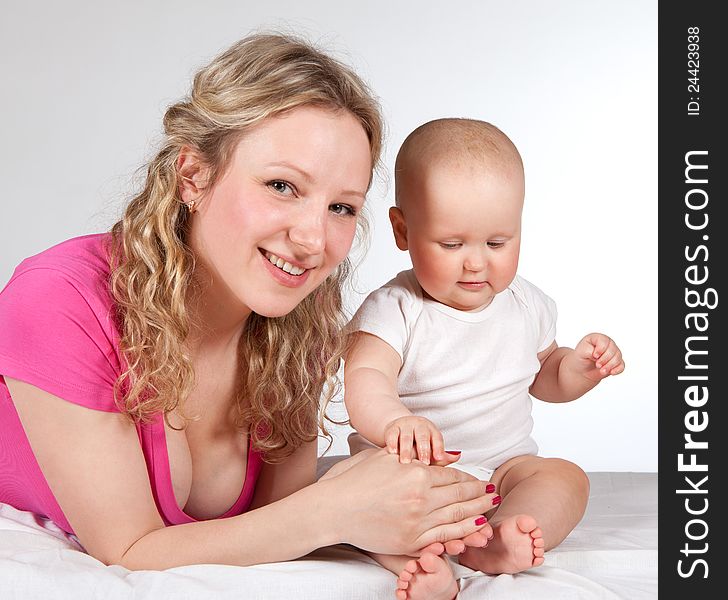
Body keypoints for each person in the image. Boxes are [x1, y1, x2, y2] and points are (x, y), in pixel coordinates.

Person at [0, 35, 498, 570]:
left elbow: (275, 527)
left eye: (341, 207)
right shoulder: (59, 300)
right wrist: (337, 505)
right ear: (193, 176)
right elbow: (130, 550)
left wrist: (396, 542)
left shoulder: (295, 325)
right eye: (282, 186)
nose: (313, 238)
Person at [344, 118, 626, 599]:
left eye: (498, 243)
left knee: (565, 478)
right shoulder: (396, 308)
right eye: (452, 244)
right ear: (403, 230)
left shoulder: (525, 303)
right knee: (360, 499)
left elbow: (546, 376)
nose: (477, 262)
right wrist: (395, 421)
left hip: (504, 469)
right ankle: (423, 565)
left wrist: (578, 369)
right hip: (420, 475)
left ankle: (500, 539)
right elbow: (365, 376)